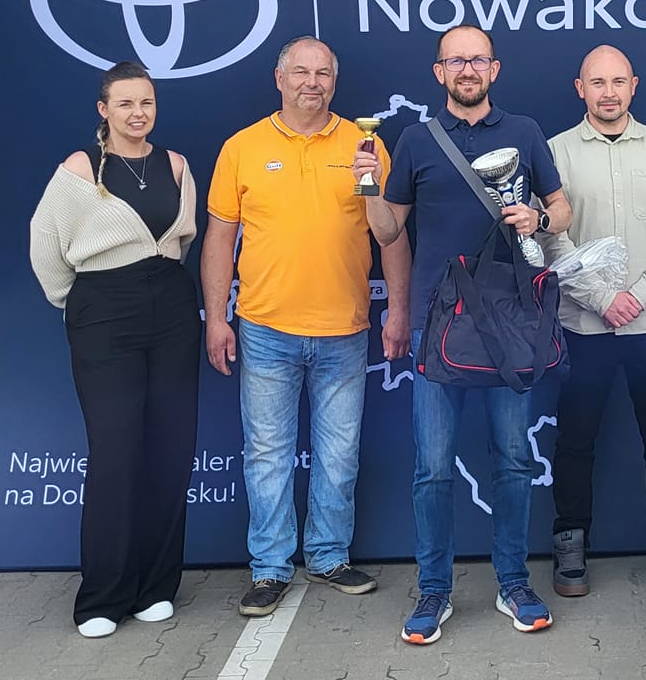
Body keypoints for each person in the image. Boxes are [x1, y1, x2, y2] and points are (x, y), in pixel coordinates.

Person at [354, 24, 573, 646]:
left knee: (513, 460)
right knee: (432, 469)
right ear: (439, 72)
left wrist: (538, 216)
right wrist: (367, 182)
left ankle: (513, 583)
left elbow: (562, 210)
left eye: (477, 60)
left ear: (494, 69)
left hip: (511, 320)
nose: (467, 70)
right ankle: (434, 590)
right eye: (456, 61)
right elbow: (388, 231)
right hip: (438, 323)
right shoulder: (415, 140)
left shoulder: (524, 131)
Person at [201, 37, 412, 619]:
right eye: (300, 72)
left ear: (334, 83)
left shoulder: (365, 146)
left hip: (345, 328)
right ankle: (270, 568)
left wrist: (398, 310)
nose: (311, 83)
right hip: (265, 326)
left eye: (322, 73)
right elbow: (219, 238)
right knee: (267, 453)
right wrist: (216, 317)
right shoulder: (242, 147)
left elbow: (391, 237)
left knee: (339, 452)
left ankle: (328, 555)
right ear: (279, 78)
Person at [29, 61, 201, 639]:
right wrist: (84, 303)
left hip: (171, 308)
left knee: (171, 449)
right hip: (104, 312)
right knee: (116, 450)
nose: (137, 113)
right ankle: (103, 596)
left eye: (146, 102)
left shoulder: (176, 165)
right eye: (125, 103)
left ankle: (156, 587)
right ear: (104, 110)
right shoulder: (79, 169)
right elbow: (46, 247)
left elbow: (182, 240)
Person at [541, 46, 646, 598]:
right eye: (597, 83)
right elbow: (551, 239)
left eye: (618, 82)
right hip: (585, 326)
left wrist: (637, 296)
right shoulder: (555, 151)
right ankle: (570, 539)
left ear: (634, 85)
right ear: (579, 89)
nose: (608, 93)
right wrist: (604, 298)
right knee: (576, 440)